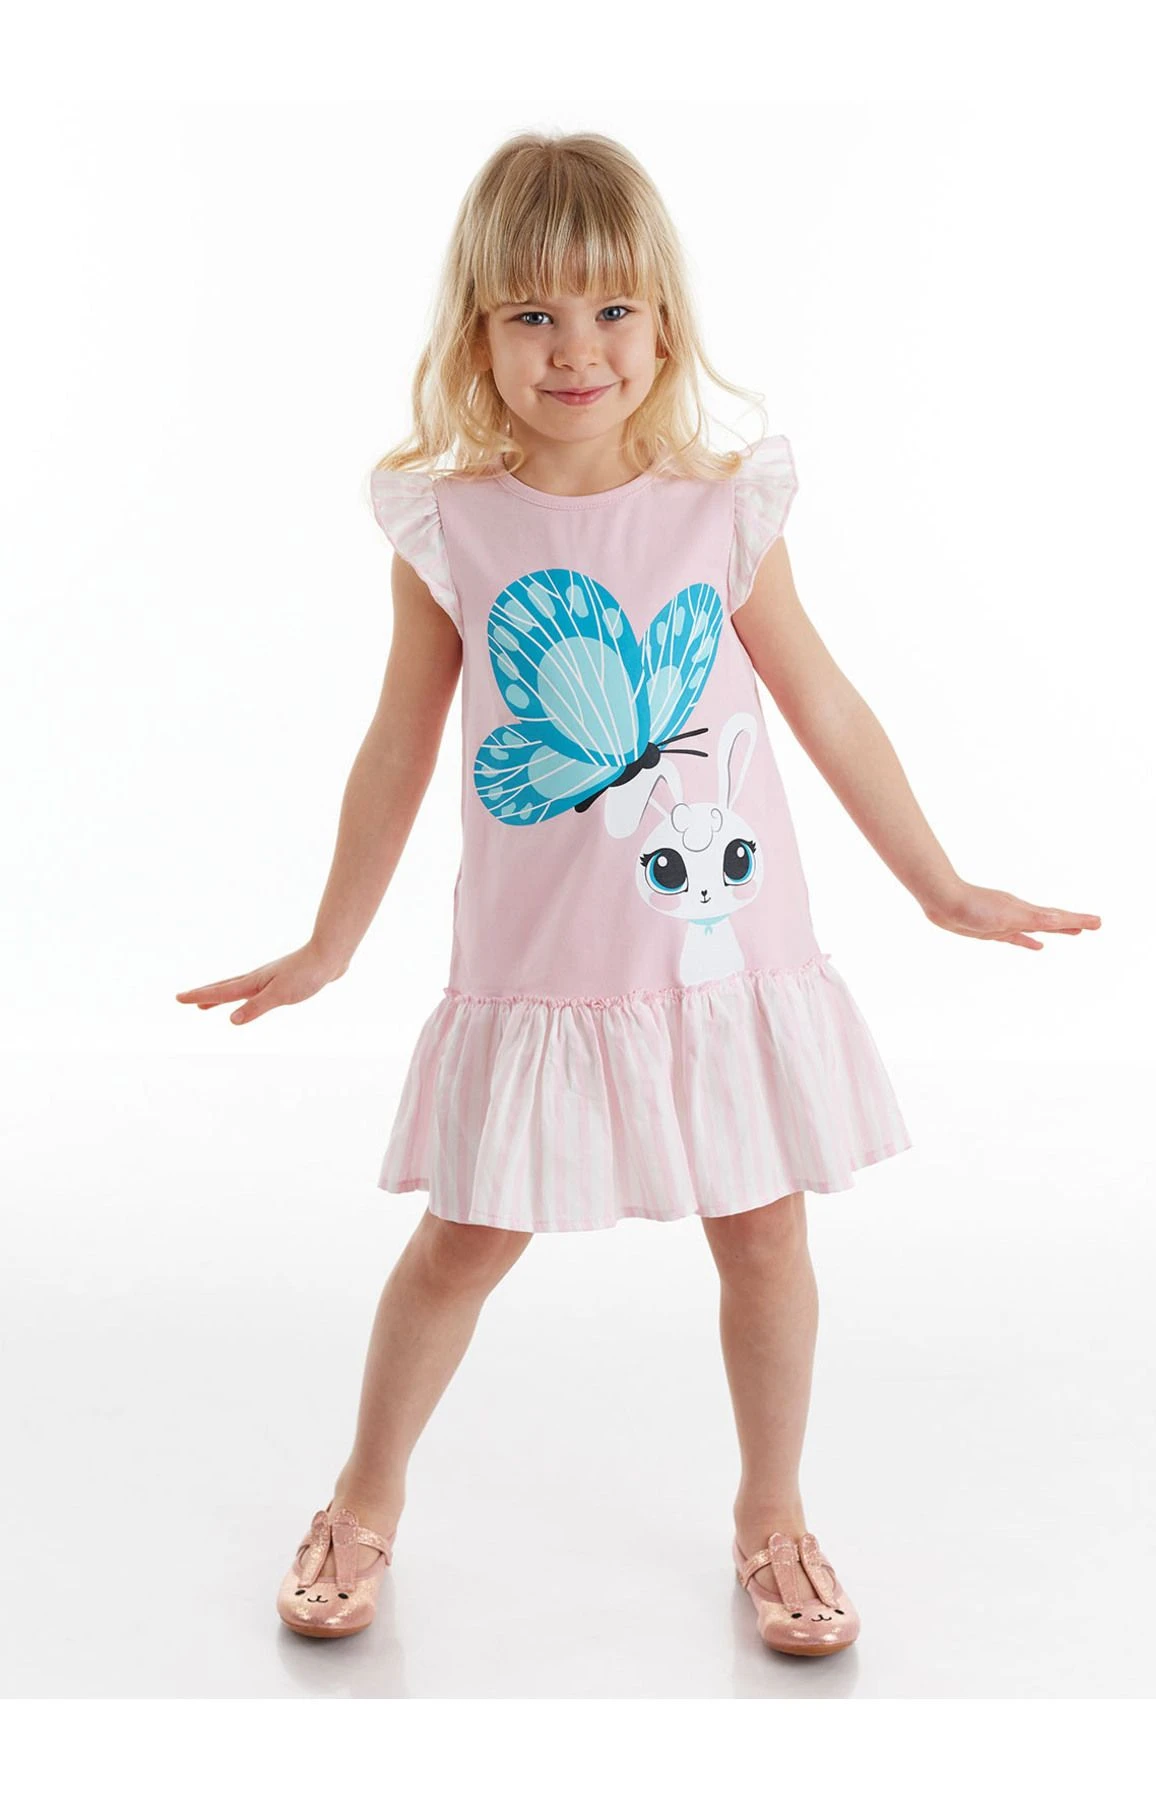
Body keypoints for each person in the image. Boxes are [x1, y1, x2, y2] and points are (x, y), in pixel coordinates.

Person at [176, 130, 1101, 1656]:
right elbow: (397, 744)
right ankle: (363, 1497)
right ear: (477, 332)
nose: (577, 349)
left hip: (721, 959)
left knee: (766, 1237)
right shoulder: (450, 527)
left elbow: (824, 701)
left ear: (664, 325)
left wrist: (938, 883)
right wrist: (330, 943)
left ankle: (772, 1515)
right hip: (543, 971)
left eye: (611, 310)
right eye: (532, 314)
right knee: (465, 1242)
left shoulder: (723, 509)